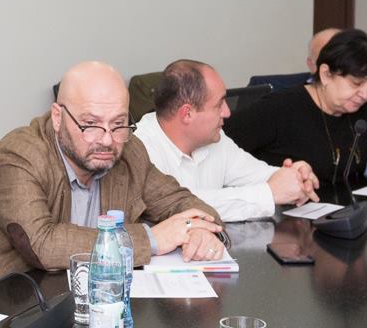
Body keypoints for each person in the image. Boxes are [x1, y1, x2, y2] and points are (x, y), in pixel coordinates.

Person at [0, 61, 227, 291]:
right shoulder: (18, 156)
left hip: (74, 305)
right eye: (91, 124)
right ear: (58, 117)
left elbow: (183, 202)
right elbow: (43, 244)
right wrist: (152, 239)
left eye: (118, 123)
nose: (107, 140)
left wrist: (198, 230)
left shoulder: (128, 151)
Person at [224, 29, 367, 197]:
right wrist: (269, 177)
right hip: (288, 214)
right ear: (325, 74)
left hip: (346, 210)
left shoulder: (361, 107)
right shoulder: (280, 107)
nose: (365, 94)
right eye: (356, 83)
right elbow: (222, 150)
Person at [134, 60, 319, 221]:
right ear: (187, 114)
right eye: (219, 104)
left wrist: (294, 177)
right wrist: (268, 193)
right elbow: (178, 206)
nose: (227, 112)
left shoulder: (215, 139)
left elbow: (255, 174)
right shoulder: (139, 148)